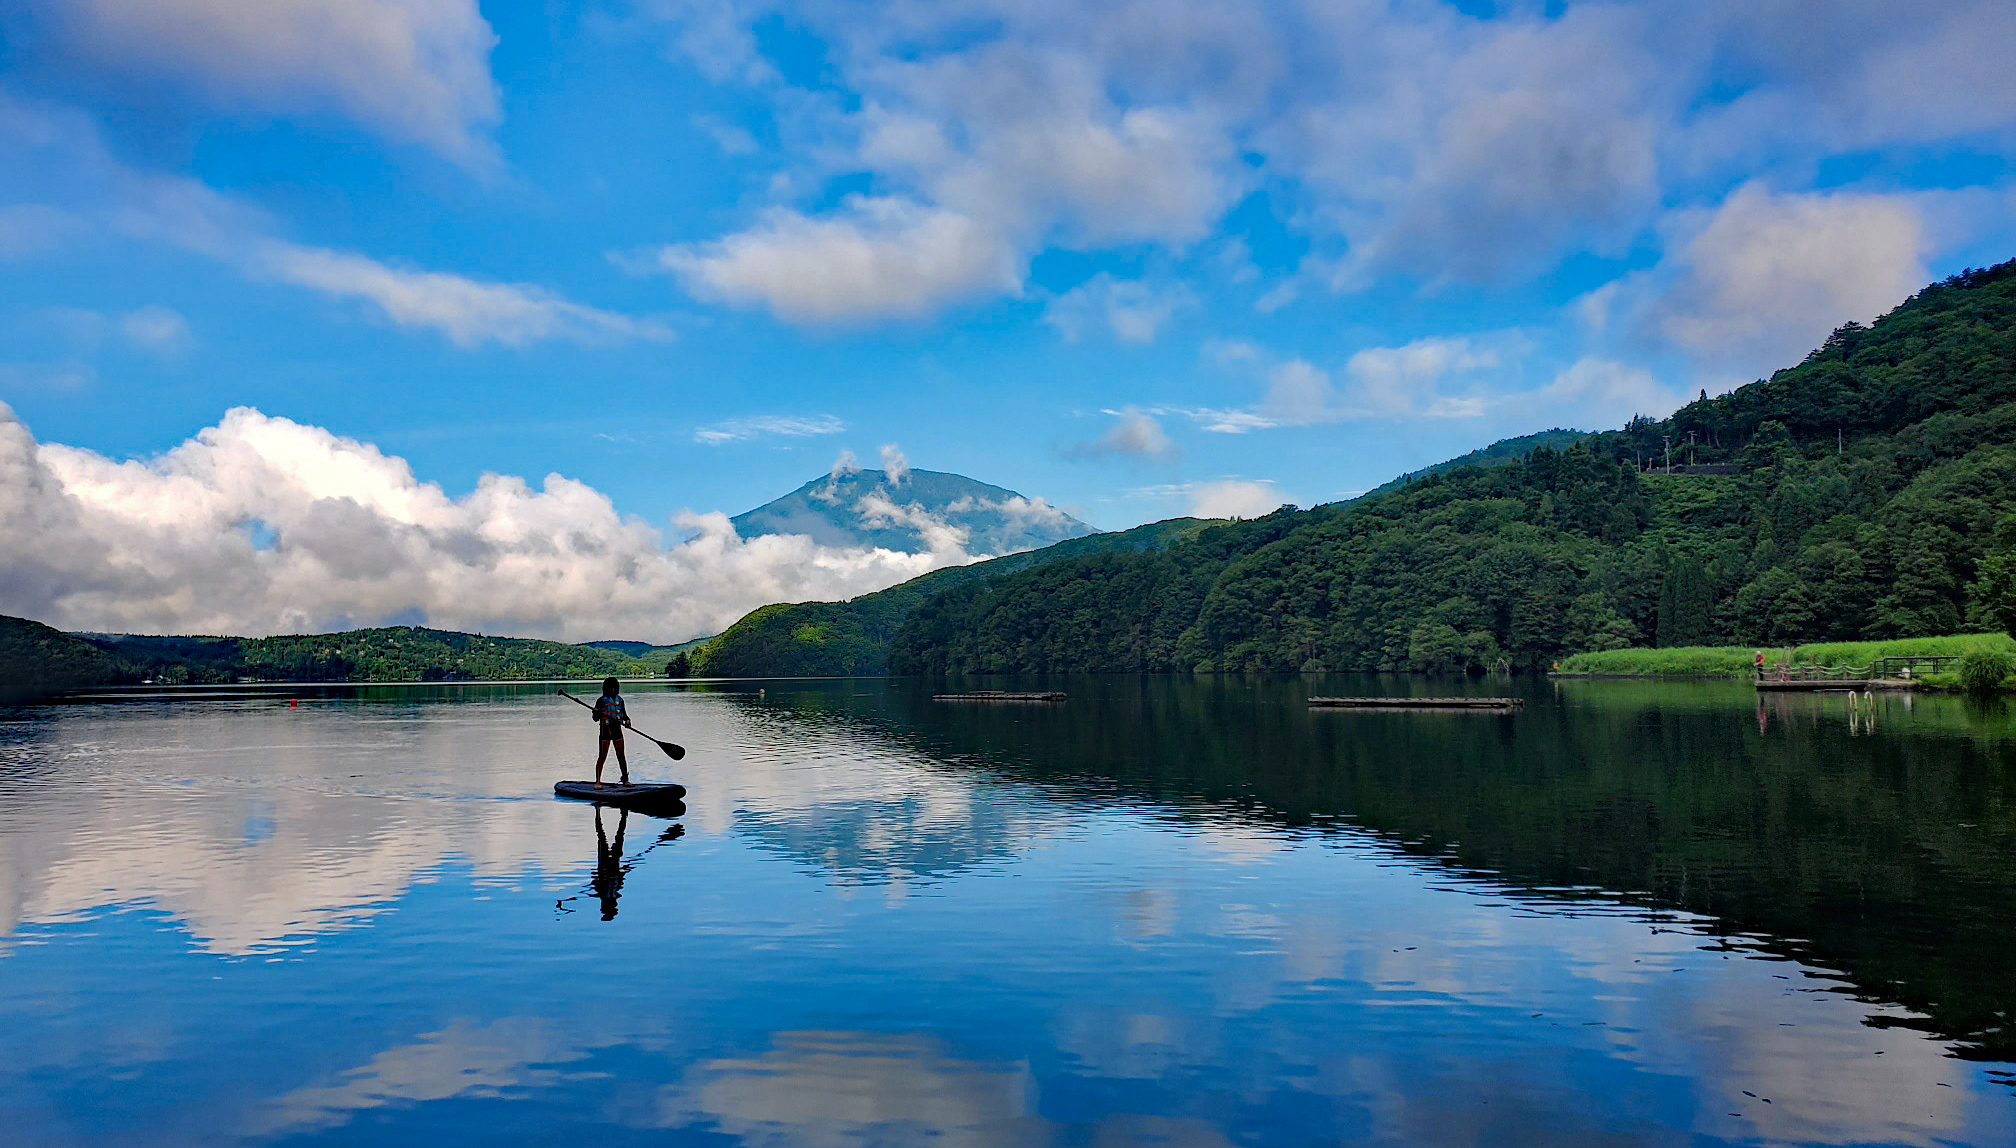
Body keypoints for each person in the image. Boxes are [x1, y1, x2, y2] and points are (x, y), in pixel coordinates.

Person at [591, 677, 633, 786]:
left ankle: (625, 779)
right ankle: (598, 781)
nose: (613, 690)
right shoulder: (601, 701)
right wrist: (596, 712)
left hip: (617, 731)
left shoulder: (620, 700)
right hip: (605, 732)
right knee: (602, 756)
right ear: (606, 689)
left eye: (615, 688)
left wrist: (627, 720)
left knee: (621, 755)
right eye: (611, 688)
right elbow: (595, 719)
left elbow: (623, 715)